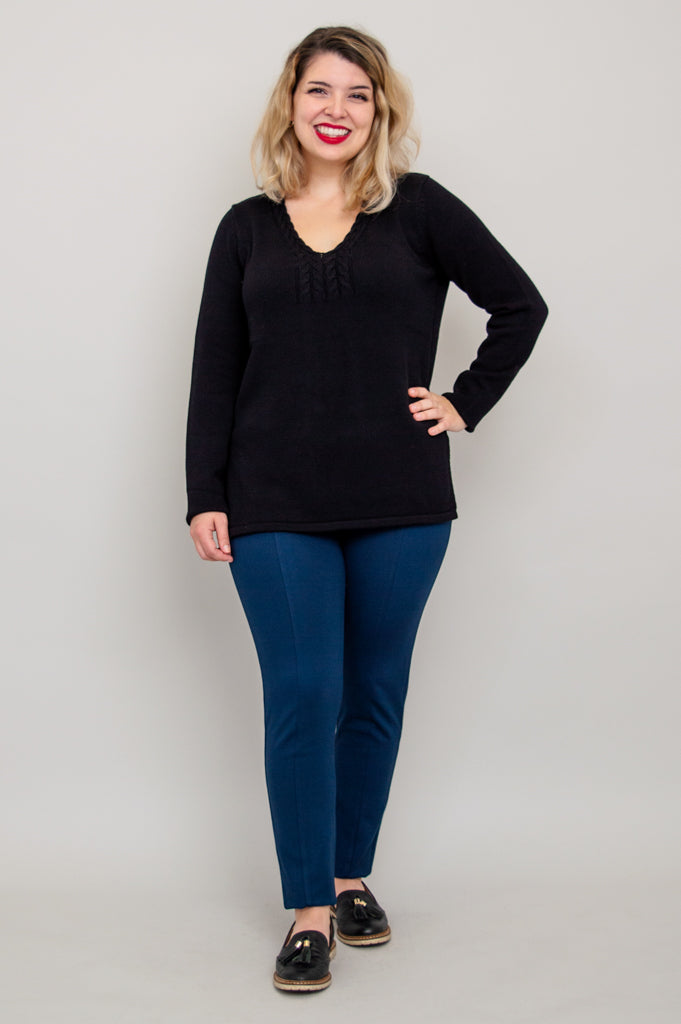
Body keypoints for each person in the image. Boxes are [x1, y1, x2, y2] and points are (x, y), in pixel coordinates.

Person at [186, 25, 548, 993]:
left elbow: (520, 306)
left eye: (357, 93)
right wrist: (204, 493)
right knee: (304, 692)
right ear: (290, 103)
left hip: (401, 498)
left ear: (380, 110)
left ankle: (351, 876)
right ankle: (309, 908)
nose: (336, 109)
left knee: (374, 693)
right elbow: (215, 368)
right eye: (319, 90)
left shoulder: (418, 210)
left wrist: (462, 401)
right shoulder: (245, 228)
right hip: (272, 498)